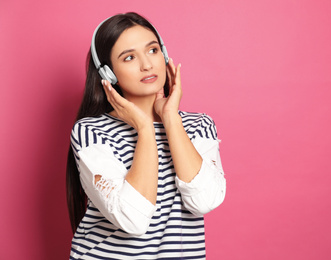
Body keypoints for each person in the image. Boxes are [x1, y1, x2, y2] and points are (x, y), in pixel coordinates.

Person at [66, 12, 226, 259]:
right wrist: (144, 127)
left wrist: (170, 119)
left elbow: (204, 201)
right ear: (108, 74)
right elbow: (133, 219)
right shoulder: (92, 132)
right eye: (129, 57)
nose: (147, 65)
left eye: (152, 51)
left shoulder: (198, 126)